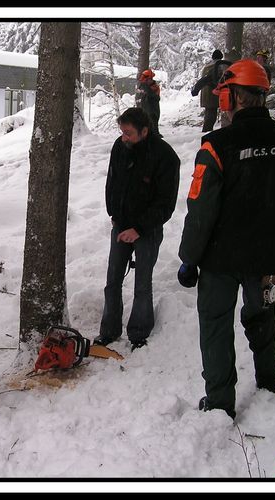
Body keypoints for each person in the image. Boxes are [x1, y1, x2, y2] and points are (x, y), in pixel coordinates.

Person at [177, 59, 275, 420]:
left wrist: (189, 258)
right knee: (262, 314)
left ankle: (220, 403)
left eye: (223, 96)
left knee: (216, 324)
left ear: (232, 97)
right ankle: (269, 378)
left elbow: (201, 209)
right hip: (266, 255)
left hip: (220, 259)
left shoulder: (216, 146)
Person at [95, 107, 180, 351]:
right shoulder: (120, 147)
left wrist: (139, 228)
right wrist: (113, 213)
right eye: (122, 132)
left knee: (142, 283)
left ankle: (139, 333)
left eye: (129, 133)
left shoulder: (165, 156)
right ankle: (109, 331)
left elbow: (166, 204)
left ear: (144, 131)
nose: (124, 138)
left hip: (148, 230)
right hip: (120, 225)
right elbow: (112, 181)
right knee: (112, 280)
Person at [191, 49, 225, 132]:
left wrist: (196, 90)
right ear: (221, 57)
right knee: (211, 116)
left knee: (209, 114)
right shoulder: (219, 66)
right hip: (213, 94)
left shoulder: (207, 66)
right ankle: (206, 133)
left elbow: (203, 79)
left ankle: (206, 131)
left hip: (206, 94)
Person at [135, 69, 162, 138]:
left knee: (154, 121)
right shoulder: (143, 86)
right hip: (146, 107)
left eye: (149, 79)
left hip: (153, 107)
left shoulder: (154, 86)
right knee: (148, 121)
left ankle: (155, 135)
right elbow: (142, 94)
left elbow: (156, 97)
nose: (150, 80)